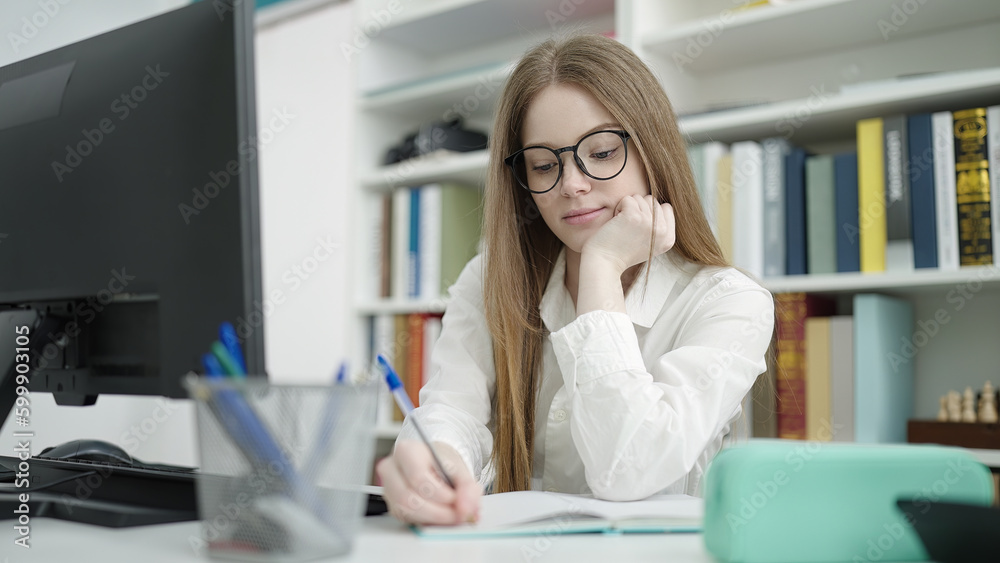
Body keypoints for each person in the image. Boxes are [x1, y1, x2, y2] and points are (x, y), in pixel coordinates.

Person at [376, 33, 774, 526]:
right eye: (544, 165)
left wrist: (602, 268)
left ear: (655, 152)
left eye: (603, 152)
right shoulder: (489, 280)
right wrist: (435, 462)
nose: (572, 185)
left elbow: (627, 470)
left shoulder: (730, 302)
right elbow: (454, 411)